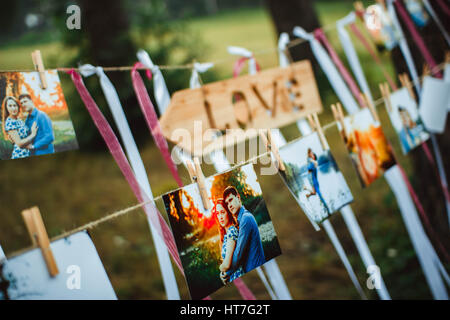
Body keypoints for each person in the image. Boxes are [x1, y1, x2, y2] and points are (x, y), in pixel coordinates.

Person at [220, 186, 265, 284]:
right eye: (227, 203)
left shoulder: (245, 219)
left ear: (238, 197)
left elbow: (237, 256)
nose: (230, 205)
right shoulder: (241, 221)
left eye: (231, 200)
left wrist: (224, 272)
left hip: (257, 270)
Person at [213, 198, 244, 283]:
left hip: (238, 276)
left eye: (222, 212)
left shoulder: (231, 231)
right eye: (218, 214)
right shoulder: (226, 235)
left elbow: (226, 264)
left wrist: (220, 269)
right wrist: (222, 274)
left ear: (228, 213)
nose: (220, 217)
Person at [304, 148, 330, 214]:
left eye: (313, 154)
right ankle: (326, 206)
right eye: (311, 154)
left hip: (315, 180)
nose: (312, 155)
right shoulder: (311, 163)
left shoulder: (313, 163)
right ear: (309, 154)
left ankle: (308, 194)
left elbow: (314, 163)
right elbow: (309, 167)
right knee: (318, 193)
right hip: (313, 181)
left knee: (316, 193)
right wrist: (312, 161)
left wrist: (314, 161)